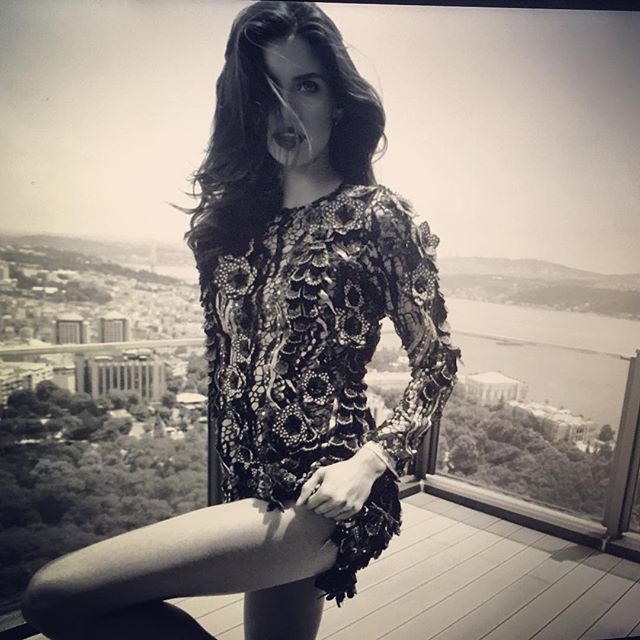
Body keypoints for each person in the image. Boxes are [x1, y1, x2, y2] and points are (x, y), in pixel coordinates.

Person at [21, 2, 460, 639]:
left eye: (307, 86)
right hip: (246, 486)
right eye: (265, 92)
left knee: (54, 597)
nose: (286, 113)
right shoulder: (233, 227)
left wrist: (369, 463)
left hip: (324, 490)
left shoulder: (377, 216)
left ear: (339, 101)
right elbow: (228, 369)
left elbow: (436, 362)